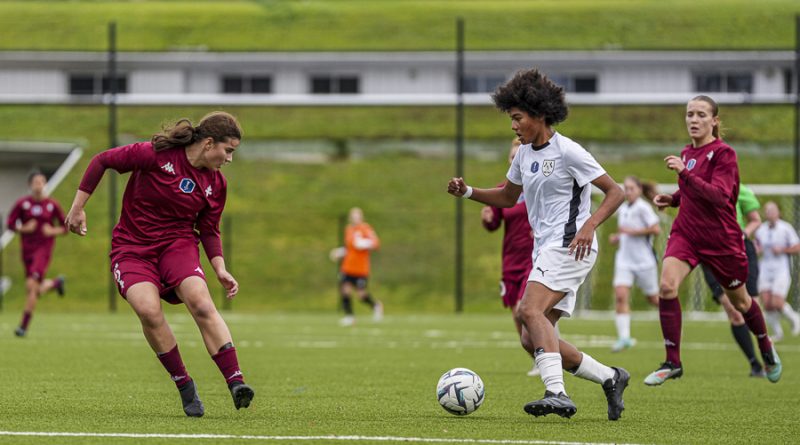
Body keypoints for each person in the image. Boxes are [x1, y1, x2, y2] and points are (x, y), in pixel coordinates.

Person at [448, 68, 629, 421]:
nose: (513, 126)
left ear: (540, 114)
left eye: (517, 118)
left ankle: (556, 393)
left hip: (570, 245)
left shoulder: (569, 151)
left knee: (527, 311)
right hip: (547, 249)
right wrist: (468, 191)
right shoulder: (525, 155)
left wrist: (590, 225)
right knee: (530, 338)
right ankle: (610, 377)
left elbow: (615, 192)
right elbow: (507, 196)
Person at [64, 111, 254, 417]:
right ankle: (184, 384)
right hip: (132, 248)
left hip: (177, 246)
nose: (229, 159)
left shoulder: (216, 184)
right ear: (208, 143)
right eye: (228, 150)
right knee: (148, 311)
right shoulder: (154, 155)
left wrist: (220, 268)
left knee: (201, 302)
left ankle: (236, 381)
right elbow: (102, 160)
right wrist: (77, 208)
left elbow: (209, 229)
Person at [645, 95, 782, 386]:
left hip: (721, 239)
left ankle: (765, 345)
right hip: (687, 233)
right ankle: (673, 362)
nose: (694, 120)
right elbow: (692, 191)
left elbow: (719, 197)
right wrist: (673, 199)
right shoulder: (686, 152)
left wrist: (684, 173)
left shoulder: (724, 154)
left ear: (714, 121)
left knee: (741, 302)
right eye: (690, 114)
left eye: (701, 115)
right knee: (667, 286)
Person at [481, 137, 538, 376]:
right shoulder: (503, 189)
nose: (516, 160)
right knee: (516, 315)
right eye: (513, 157)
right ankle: (537, 357)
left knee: (523, 308)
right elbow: (494, 223)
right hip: (510, 260)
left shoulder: (537, 186)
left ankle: (547, 353)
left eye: (519, 156)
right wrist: (487, 219)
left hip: (534, 257)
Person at [700, 183, 766, 377]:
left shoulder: (739, 189)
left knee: (751, 306)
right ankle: (755, 364)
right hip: (709, 251)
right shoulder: (697, 186)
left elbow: (755, 219)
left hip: (740, 250)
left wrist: (743, 234)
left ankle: (767, 352)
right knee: (734, 311)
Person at [6, 171, 66, 337]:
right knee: (33, 288)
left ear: (45, 184)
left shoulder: (52, 204)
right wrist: (24, 228)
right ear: (30, 185)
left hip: (43, 250)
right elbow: (10, 224)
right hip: (27, 251)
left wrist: (52, 231)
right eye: (36, 182)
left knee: (31, 286)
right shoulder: (22, 204)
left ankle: (23, 326)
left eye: (41, 182)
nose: (39, 185)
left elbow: (65, 227)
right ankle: (55, 284)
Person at [608, 176, 660, 352]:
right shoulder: (623, 208)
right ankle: (624, 338)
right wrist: (617, 237)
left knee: (653, 299)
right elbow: (624, 232)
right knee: (620, 296)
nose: (628, 192)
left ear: (639, 190)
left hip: (644, 261)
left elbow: (656, 229)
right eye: (626, 188)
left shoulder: (643, 208)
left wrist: (631, 232)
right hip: (624, 260)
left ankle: (674, 320)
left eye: (631, 188)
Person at [754, 201, 800, 341]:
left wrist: (783, 250)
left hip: (781, 269)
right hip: (765, 268)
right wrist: (757, 250)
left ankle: (795, 319)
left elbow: (797, 247)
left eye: (772, 210)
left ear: (778, 212)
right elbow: (757, 246)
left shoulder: (786, 228)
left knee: (777, 303)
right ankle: (777, 333)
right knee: (767, 303)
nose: (770, 213)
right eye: (767, 211)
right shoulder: (761, 229)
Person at [331, 207, 382, 326]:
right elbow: (350, 248)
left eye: (357, 216)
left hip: (361, 268)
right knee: (345, 290)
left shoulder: (366, 228)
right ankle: (349, 316)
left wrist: (364, 243)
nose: (355, 218)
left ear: (361, 217)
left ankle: (376, 306)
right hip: (348, 267)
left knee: (361, 295)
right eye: (353, 216)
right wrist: (340, 252)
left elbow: (376, 243)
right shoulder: (349, 229)